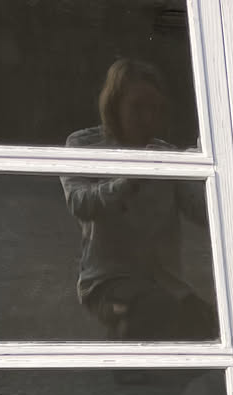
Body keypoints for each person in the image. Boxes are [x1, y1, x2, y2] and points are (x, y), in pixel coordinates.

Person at [62, 59, 215, 341]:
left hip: (167, 284)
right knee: (154, 312)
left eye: (155, 109)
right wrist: (132, 177)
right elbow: (80, 203)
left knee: (215, 330)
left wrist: (210, 174)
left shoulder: (166, 155)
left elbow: (202, 213)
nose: (148, 118)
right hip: (109, 284)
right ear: (114, 106)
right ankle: (123, 353)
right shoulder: (84, 146)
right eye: (137, 107)